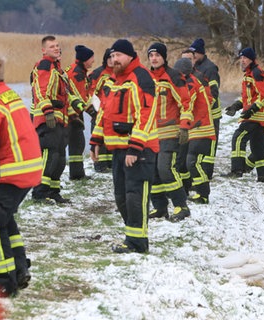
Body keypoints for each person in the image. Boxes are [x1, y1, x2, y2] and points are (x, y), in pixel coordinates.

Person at [0, 55, 42, 296]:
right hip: (27, 167)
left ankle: (3, 282)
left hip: (12, 171)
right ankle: (20, 268)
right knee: (3, 217)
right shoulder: (6, 92)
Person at [90, 39, 158, 253]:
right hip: (118, 149)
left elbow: (146, 114)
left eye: (118, 55)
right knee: (121, 196)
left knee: (134, 196)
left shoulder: (141, 78)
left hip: (140, 151)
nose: (114, 59)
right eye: (111, 56)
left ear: (129, 56)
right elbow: (104, 114)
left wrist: (135, 147)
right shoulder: (112, 80)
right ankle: (133, 236)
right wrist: (96, 140)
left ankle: (138, 242)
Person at [147, 42, 193, 222]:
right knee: (153, 172)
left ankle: (181, 205)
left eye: (157, 55)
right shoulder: (146, 77)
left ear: (164, 57)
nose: (154, 58)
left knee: (165, 169)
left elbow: (186, 103)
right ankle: (160, 207)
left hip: (171, 131)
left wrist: (184, 126)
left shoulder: (173, 76)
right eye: (151, 55)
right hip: (151, 134)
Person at [30, 35, 75, 204]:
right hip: (48, 119)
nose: (56, 48)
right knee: (49, 156)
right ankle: (39, 192)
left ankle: (54, 191)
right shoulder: (45, 65)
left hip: (61, 120)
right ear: (44, 50)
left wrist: (74, 114)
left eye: (57, 46)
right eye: (52, 47)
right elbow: (41, 90)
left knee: (60, 158)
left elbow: (65, 96)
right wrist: (48, 111)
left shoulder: (58, 69)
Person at [224, 47, 264, 182]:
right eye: (241, 58)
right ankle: (263, 175)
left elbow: (263, 96)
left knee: (238, 138)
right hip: (254, 115)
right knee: (258, 146)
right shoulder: (248, 75)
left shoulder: (257, 73)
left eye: (245, 58)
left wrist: (252, 109)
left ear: (252, 59)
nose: (242, 60)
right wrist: (236, 106)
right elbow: (247, 98)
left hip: (254, 116)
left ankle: (237, 170)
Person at [174, 58, 216, 204]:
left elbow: (187, 104)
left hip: (201, 128)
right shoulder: (191, 80)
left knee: (192, 162)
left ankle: (203, 194)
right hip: (197, 127)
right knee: (186, 161)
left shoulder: (190, 84)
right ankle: (188, 190)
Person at [65, 45, 97, 180]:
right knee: (77, 142)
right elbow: (79, 96)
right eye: (91, 59)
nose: (93, 61)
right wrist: (93, 113)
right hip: (72, 113)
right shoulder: (77, 74)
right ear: (84, 59)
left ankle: (77, 173)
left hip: (73, 111)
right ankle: (76, 174)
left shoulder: (77, 70)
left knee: (76, 142)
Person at [188, 39, 220, 178]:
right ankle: (199, 171)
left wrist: (204, 109)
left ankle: (207, 173)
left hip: (211, 113)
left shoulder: (210, 68)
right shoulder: (194, 67)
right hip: (199, 114)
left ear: (201, 53)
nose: (193, 56)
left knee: (209, 146)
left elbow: (213, 92)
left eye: (194, 53)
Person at [88, 48, 114, 173]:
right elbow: (92, 92)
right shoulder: (99, 73)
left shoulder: (118, 73)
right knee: (98, 137)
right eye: (108, 58)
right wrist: (95, 108)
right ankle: (99, 164)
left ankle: (110, 163)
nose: (111, 60)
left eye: (112, 57)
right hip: (99, 110)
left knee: (111, 137)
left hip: (113, 112)